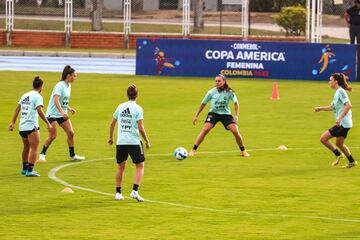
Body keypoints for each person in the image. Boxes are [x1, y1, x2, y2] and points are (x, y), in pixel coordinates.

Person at [188, 74, 250, 157]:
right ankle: (193, 150)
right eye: (216, 81)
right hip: (213, 114)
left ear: (224, 82)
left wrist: (236, 115)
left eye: (219, 81)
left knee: (235, 131)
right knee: (205, 129)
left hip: (226, 114)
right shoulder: (211, 92)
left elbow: (236, 103)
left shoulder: (229, 92)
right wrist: (196, 116)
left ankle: (243, 151)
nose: (217, 82)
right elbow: (203, 103)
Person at [109, 84, 150, 202]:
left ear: (127, 95)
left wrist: (111, 138)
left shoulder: (120, 107)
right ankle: (135, 191)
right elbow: (141, 128)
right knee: (140, 166)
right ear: (137, 95)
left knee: (120, 167)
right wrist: (147, 141)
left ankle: (118, 193)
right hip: (134, 142)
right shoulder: (138, 109)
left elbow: (112, 123)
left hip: (121, 142)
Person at [39, 65, 85, 162]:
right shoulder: (60, 85)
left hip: (61, 114)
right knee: (53, 136)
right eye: (74, 76)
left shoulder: (68, 85)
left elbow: (63, 100)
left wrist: (68, 108)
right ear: (68, 75)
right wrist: (62, 112)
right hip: (52, 115)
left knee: (71, 133)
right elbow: (56, 100)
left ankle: (72, 155)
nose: (75, 78)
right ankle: (42, 155)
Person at [8, 76, 52, 177]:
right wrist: (48, 123)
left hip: (22, 127)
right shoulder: (38, 97)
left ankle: (24, 169)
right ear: (41, 86)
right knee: (34, 149)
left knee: (26, 147)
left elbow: (17, 109)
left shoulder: (24, 95)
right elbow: (40, 111)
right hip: (32, 127)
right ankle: (30, 171)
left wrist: (13, 123)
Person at [315, 73, 357, 168]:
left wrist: (340, 118)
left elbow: (348, 105)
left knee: (323, 139)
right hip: (345, 124)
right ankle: (352, 162)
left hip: (343, 124)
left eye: (331, 80)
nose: (329, 82)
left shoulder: (341, 92)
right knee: (339, 143)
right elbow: (333, 107)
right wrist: (321, 108)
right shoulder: (337, 92)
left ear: (336, 81)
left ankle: (339, 155)